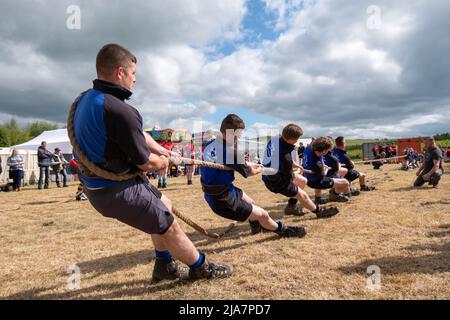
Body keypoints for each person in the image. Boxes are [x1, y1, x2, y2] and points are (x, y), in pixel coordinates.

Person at [71, 43, 232, 282]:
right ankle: (200, 267)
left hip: (99, 187)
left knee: (164, 202)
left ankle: (164, 264)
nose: (135, 79)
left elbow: (137, 134)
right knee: (169, 225)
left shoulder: (86, 99)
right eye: (133, 73)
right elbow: (146, 163)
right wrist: (162, 160)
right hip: (115, 191)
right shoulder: (120, 110)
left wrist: (161, 150)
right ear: (119, 73)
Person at [201, 114, 307, 237]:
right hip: (221, 199)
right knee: (263, 214)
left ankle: (257, 228)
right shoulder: (230, 152)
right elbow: (249, 172)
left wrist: (254, 164)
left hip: (223, 190)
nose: (238, 139)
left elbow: (237, 162)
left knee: (251, 202)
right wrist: (260, 169)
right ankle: (283, 231)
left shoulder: (211, 144)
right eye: (237, 136)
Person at [262, 124, 339, 218]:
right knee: (302, 195)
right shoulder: (284, 156)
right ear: (291, 139)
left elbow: (284, 159)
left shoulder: (275, 140)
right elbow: (289, 174)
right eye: (297, 138)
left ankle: (291, 207)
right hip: (275, 180)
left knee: (303, 181)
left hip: (271, 173)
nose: (297, 141)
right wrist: (297, 171)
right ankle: (319, 212)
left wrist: (296, 165)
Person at [303, 137, 351, 204]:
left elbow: (316, 147)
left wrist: (323, 164)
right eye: (327, 150)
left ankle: (318, 198)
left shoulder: (308, 149)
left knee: (317, 175)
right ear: (324, 151)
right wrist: (326, 169)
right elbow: (323, 176)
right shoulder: (317, 164)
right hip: (315, 181)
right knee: (345, 182)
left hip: (306, 177)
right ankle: (335, 195)